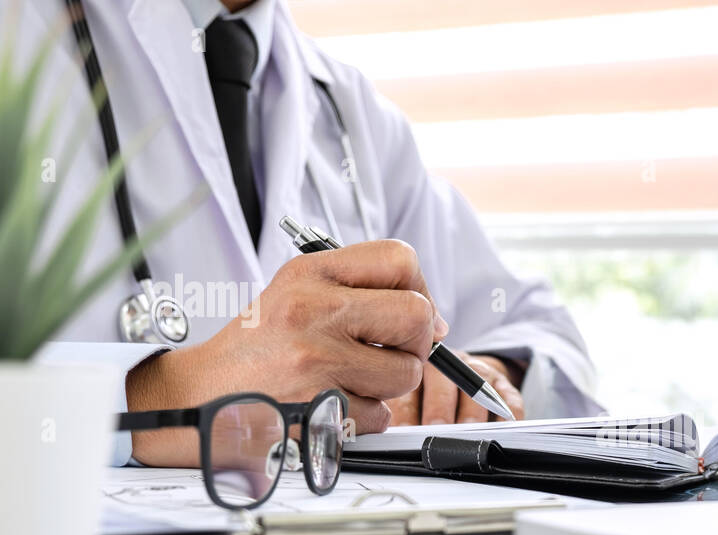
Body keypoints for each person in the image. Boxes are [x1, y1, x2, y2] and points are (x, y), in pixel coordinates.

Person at [22, 0, 602, 466]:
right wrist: (164, 398)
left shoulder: (351, 110)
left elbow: (541, 329)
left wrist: (493, 370)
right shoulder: (19, 38)